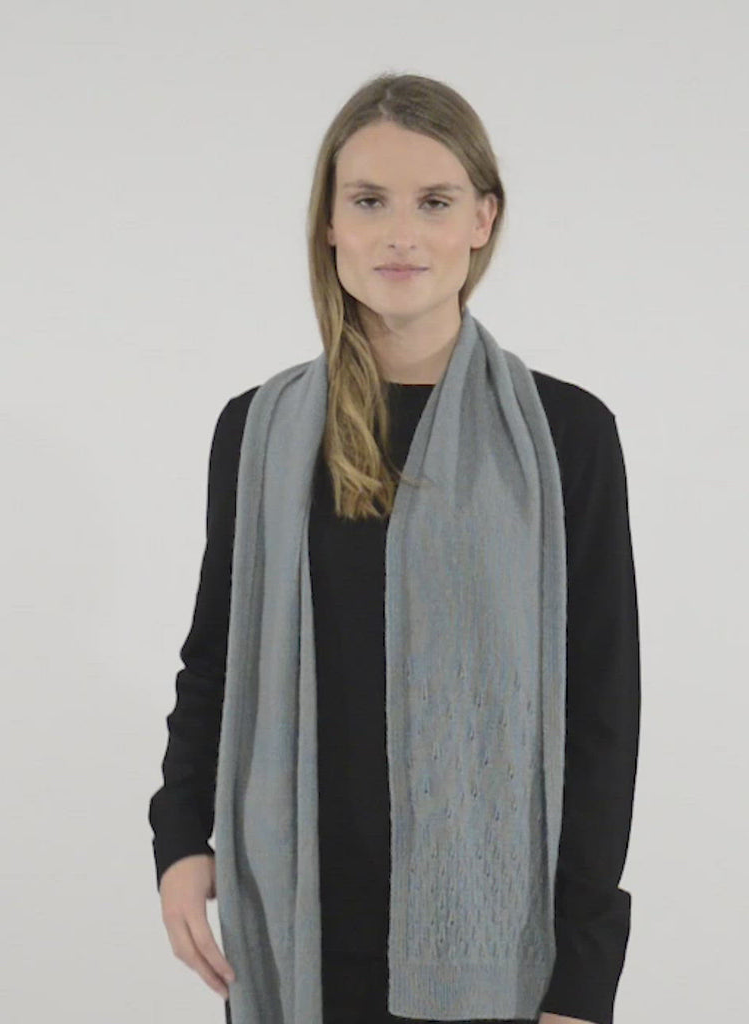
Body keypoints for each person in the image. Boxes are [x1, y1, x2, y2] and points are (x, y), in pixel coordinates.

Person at [149, 73, 640, 1024]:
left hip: (500, 945)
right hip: (296, 924)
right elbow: (213, 660)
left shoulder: (566, 437)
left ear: (483, 220)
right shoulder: (257, 432)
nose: (400, 235)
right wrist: (179, 839)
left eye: (435, 202)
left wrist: (585, 970)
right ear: (330, 224)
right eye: (369, 201)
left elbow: (602, 710)